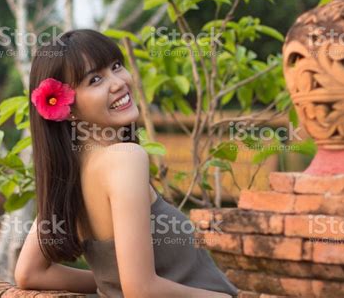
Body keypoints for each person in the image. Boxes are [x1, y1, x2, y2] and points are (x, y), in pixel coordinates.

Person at [14, 29, 239, 298]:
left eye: (116, 66)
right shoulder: (125, 159)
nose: (118, 82)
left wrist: (105, 283)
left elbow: (29, 273)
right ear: (67, 107)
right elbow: (141, 290)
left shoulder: (68, 180)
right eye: (95, 79)